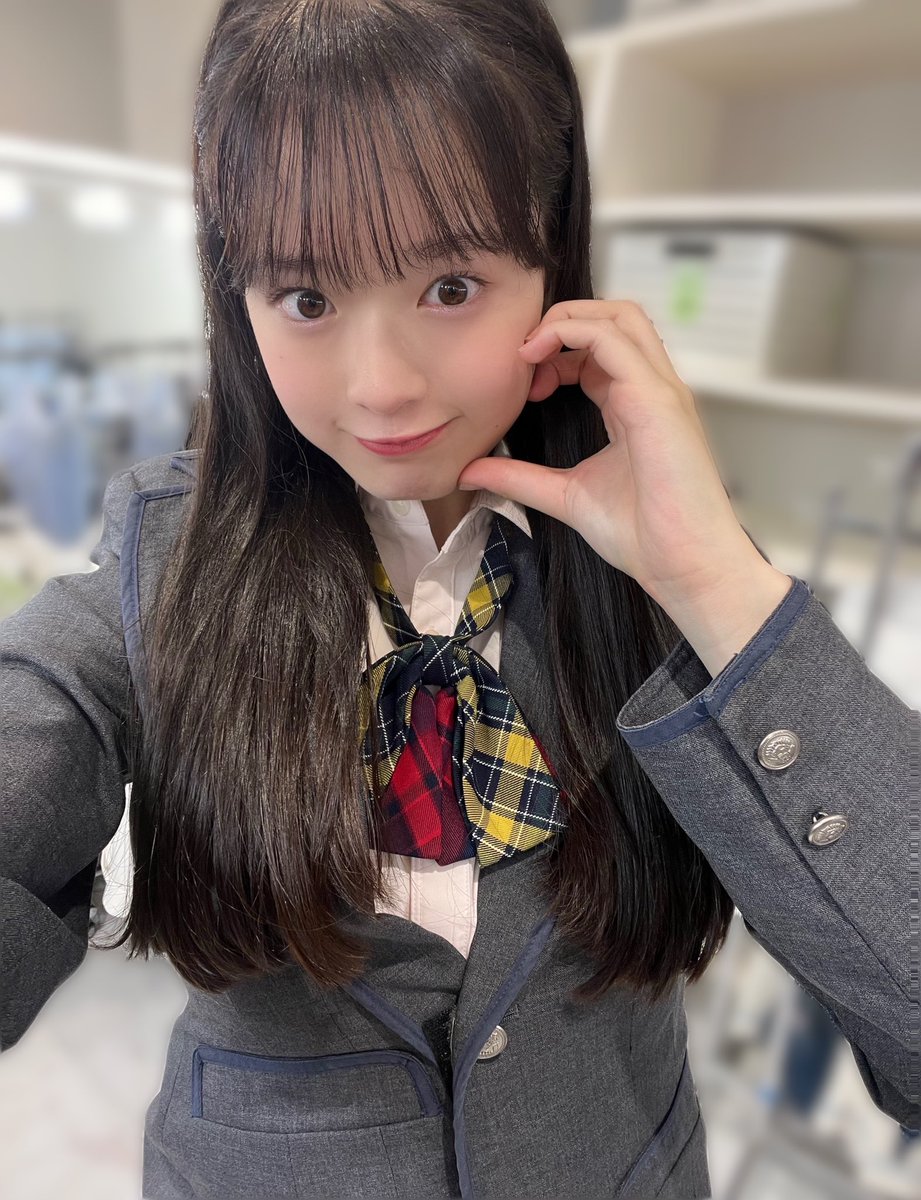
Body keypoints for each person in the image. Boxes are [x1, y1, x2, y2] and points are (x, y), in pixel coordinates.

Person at [1, 1, 917, 1196]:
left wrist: (712, 580)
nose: (381, 388)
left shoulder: (649, 564)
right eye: (306, 298)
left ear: (551, 263)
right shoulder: (164, 562)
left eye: (450, 284)